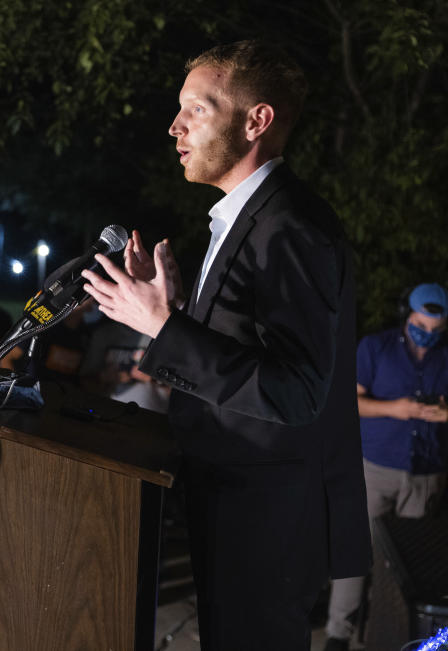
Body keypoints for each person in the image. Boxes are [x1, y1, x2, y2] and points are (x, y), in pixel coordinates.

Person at [81, 40, 370, 649]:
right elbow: (255, 350)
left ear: (256, 121)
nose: (174, 126)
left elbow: (296, 392)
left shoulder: (290, 227)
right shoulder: (247, 217)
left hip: (267, 520)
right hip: (236, 505)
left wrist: (165, 329)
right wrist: (177, 314)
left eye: (197, 109)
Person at [323, 283, 448, 650]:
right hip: (375, 468)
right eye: (421, 326)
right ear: (406, 314)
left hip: (426, 474)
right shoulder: (374, 347)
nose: (426, 336)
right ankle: (337, 634)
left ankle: (385, 634)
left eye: (436, 331)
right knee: (355, 554)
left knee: (403, 568)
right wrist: (398, 408)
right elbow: (350, 402)